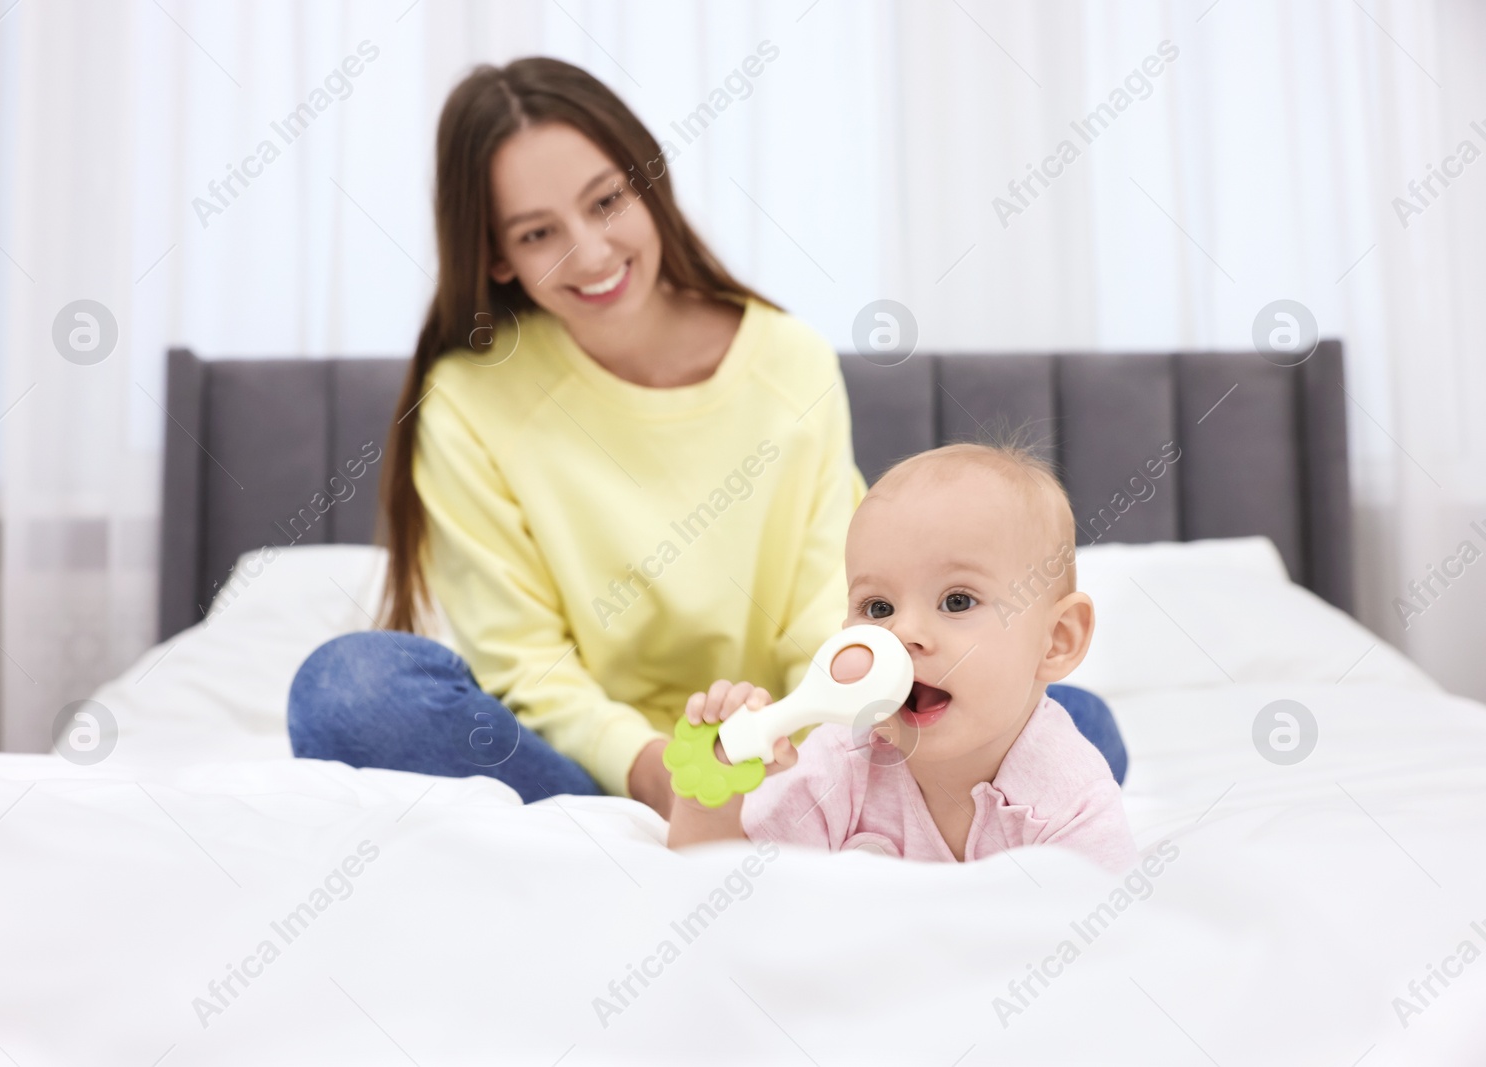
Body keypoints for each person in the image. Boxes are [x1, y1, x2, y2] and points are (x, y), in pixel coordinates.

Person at [286, 57, 1127, 819]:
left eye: (606, 200)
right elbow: (527, 666)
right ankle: (673, 826)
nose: (590, 252)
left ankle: (830, 817)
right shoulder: (469, 400)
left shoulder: (785, 360)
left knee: (1075, 724)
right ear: (498, 256)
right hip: (590, 772)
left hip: (798, 746)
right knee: (351, 689)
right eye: (538, 232)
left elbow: (823, 610)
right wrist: (658, 771)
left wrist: (800, 742)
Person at [666, 442, 1137, 871]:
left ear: (1056, 640)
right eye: (878, 608)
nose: (903, 632)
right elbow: (731, 892)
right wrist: (707, 802)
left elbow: (1103, 943)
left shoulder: (1070, 798)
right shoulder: (838, 761)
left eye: (957, 601)